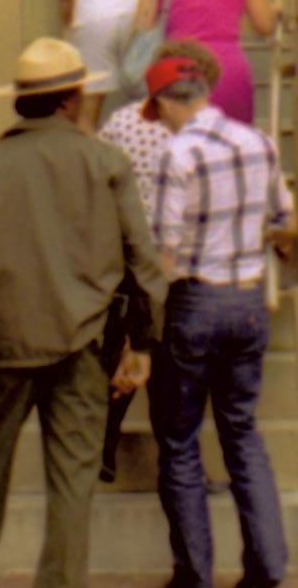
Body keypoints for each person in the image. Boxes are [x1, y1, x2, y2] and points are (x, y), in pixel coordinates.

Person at [0, 37, 163, 588]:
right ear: (71, 99)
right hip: (82, 344)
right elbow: (142, 260)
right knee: (72, 487)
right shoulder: (105, 163)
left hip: (3, 346)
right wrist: (142, 343)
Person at [147, 56, 298, 588]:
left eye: (158, 110)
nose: (160, 121)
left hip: (195, 301)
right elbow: (286, 224)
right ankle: (267, 564)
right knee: (241, 429)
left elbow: (166, 249)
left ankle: (194, 573)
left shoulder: (176, 153)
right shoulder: (259, 142)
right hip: (249, 299)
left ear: (168, 100)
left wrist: (148, 317)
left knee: (180, 437)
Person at [94, 37, 221, 484]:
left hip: (126, 253)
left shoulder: (120, 121)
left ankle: (103, 444)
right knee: (171, 370)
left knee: (129, 350)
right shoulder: (205, 134)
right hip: (178, 262)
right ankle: (183, 468)